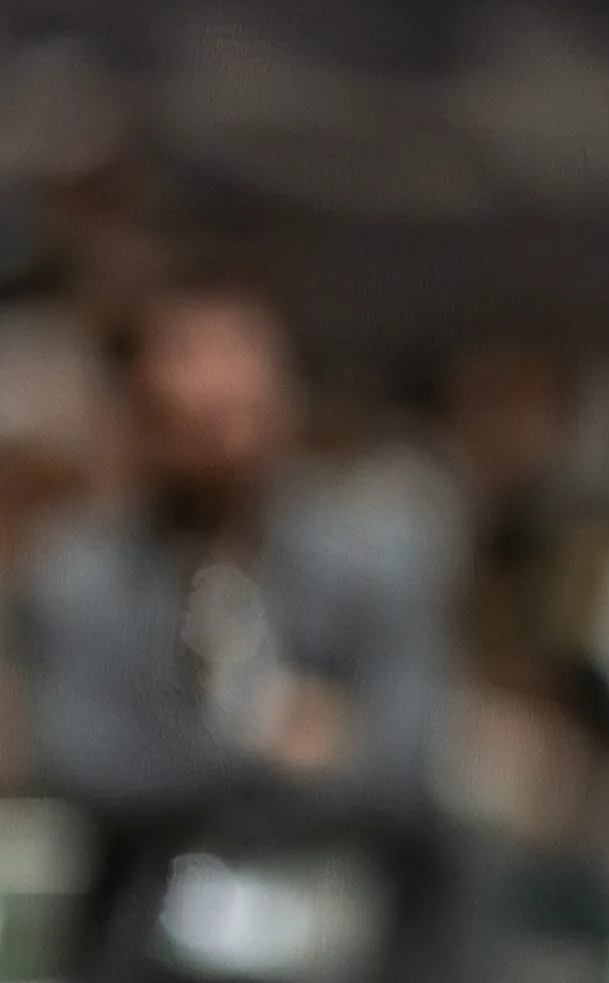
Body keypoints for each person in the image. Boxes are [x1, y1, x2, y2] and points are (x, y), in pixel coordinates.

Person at [13, 268, 449, 979]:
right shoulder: (80, 573)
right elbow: (80, 756)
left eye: (243, 401)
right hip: (143, 937)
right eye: (193, 409)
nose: (225, 434)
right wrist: (259, 741)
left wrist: (179, 748)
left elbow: (403, 756)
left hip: (340, 934)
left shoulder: (374, 558)